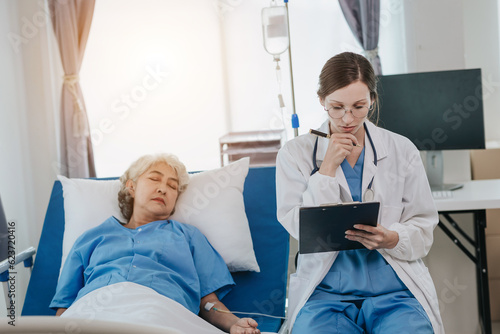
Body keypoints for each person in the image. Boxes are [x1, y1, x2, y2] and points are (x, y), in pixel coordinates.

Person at [276, 52, 444, 334]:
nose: (347, 118)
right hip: (325, 296)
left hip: (395, 293)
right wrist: (327, 169)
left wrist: (393, 238)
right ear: (321, 100)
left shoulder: (402, 150)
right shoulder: (294, 154)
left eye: (359, 107)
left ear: (372, 101)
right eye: (337, 107)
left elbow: (424, 228)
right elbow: (296, 225)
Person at [50, 153, 260, 334]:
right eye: (154, 179)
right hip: (93, 312)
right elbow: (66, 309)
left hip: (160, 311)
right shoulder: (91, 238)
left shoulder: (188, 236)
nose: (163, 189)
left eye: (172, 186)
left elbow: (208, 302)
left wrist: (234, 324)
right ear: (131, 187)